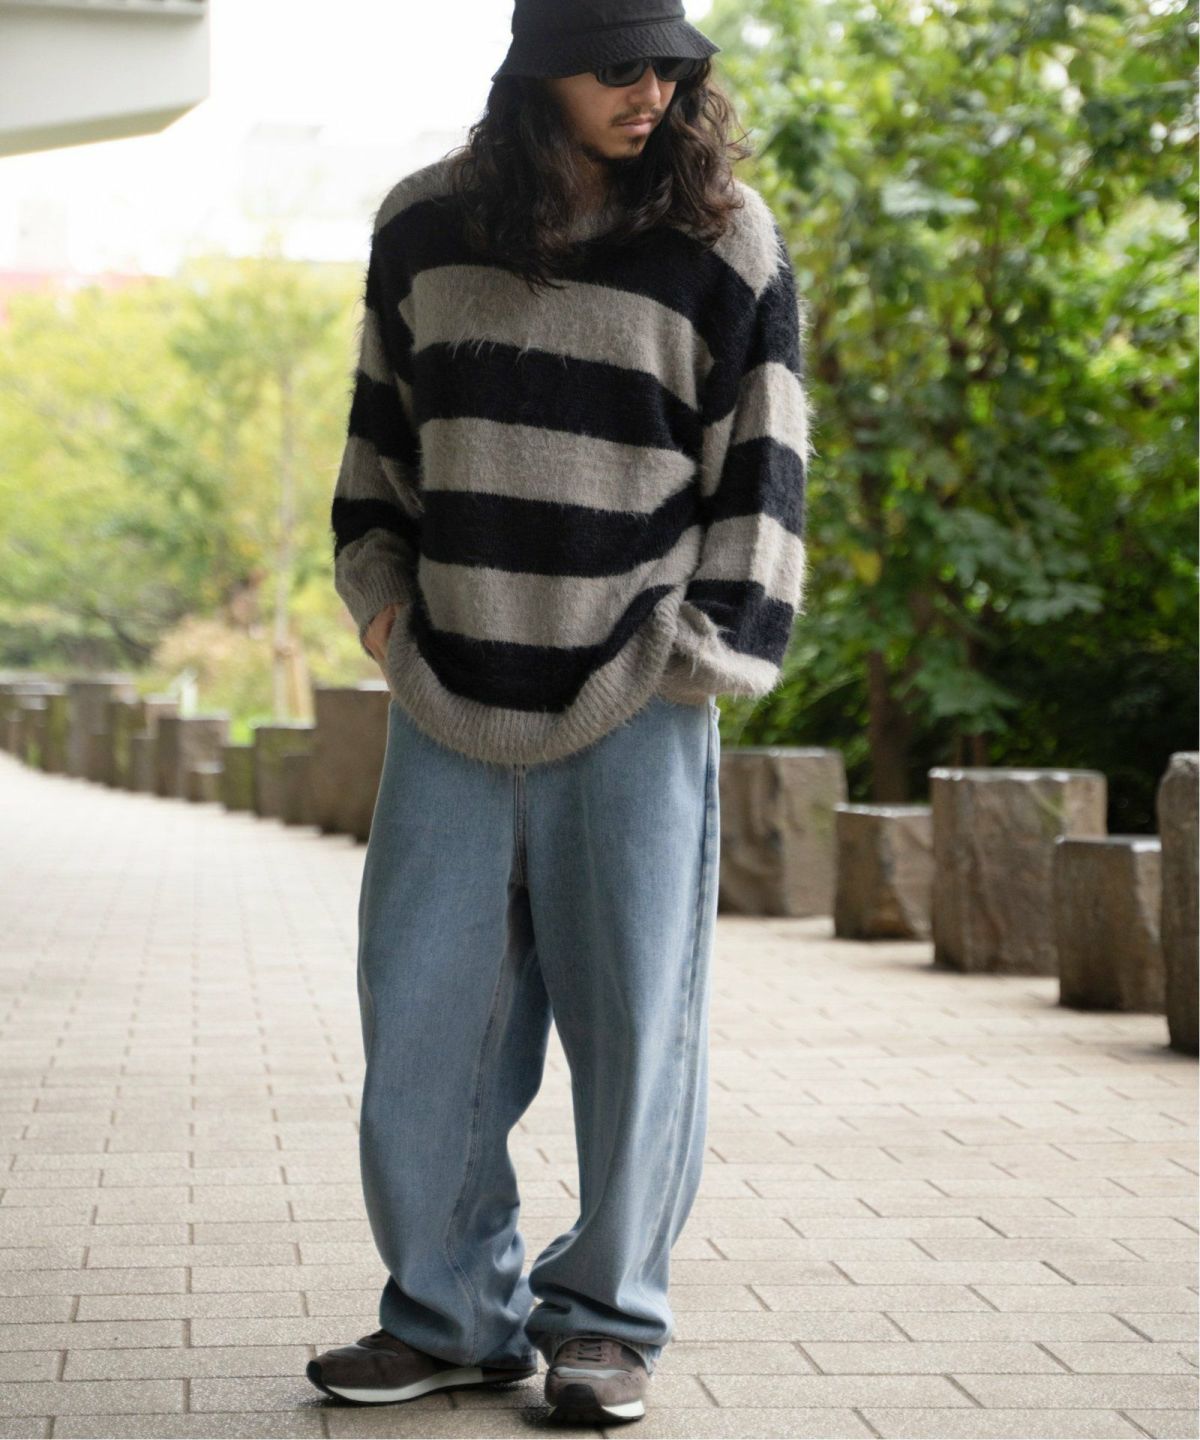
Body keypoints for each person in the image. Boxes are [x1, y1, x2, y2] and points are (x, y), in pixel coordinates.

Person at [306, 0, 813, 1424]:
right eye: (618, 65)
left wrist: (699, 654)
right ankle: (450, 1315)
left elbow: (762, 467)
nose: (651, 90)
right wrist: (384, 610)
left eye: (671, 65)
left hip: (636, 700)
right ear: (539, 70)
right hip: (448, 695)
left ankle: (606, 1323)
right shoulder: (421, 226)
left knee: (637, 1033)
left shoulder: (725, 237)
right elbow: (378, 451)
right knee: (423, 1026)